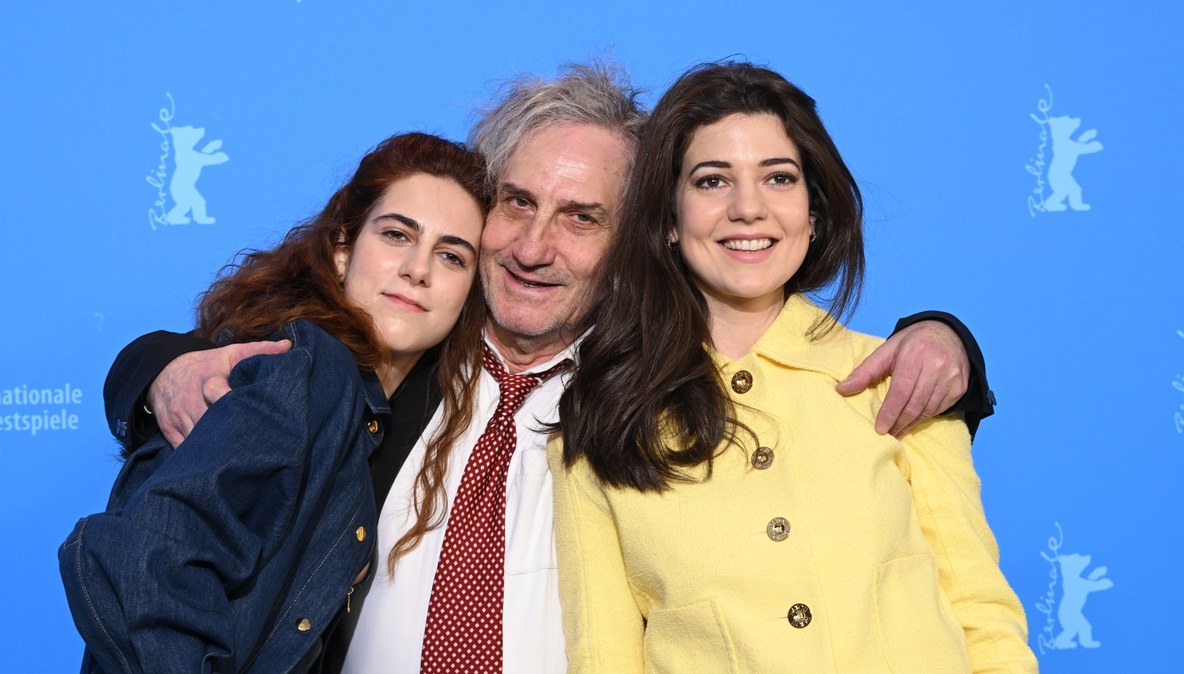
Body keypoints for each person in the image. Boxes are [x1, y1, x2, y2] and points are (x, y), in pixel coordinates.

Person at [103, 64, 993, 673]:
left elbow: (788, 377)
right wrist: (156, 372)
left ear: (637, 240)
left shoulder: (650, 393)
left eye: (581, 218)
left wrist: (944, 337)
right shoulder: (388, 364)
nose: (534, 247)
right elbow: (256, 375)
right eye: (518, 203)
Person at [552, 62, 1036, 672]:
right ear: (669, 219)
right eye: (711, 182)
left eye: (778, 178)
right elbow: (602, 655)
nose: (748, 208)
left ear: (814, 209)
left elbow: (980, 611)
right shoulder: (600, 417)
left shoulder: (900, 377)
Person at [59, 132, 490, 674]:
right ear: (341, 249)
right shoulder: (307, 369)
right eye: (397, 235)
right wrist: (157, 371)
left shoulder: (416, 406)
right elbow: (145, 559)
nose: (418, 269)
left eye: (452, 256)